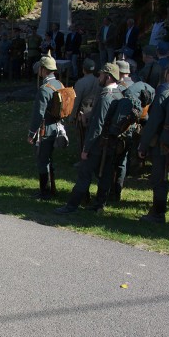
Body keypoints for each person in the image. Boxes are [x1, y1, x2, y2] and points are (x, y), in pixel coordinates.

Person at [55, 63, 123, 214]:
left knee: (84, 174)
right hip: (111, 142)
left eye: (101, 75)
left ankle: (71, 206)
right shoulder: (118, 94)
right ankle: (99, 204)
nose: (98, 77)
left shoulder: (106, 97)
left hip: (98, 144)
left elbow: (97, 125)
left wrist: (86, 148)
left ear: (108, 77)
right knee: (105, 175)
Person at [137, 55, 169, 223]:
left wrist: (143, 145)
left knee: (159, 178)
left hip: (163, 142)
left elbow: (153, 123)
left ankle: (158, 213)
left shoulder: (164, 92)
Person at [26, 50, 64, 200]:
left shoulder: (44, 89)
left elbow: (38, 114)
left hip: (45, 129)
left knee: (42, 160)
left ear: (43, 69)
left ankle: (45, 191)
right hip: (57, 126)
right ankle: (51, 188)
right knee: (49, 158)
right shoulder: (59, 84)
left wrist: (31, 133)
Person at [70, 58, 100, 155]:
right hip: (95, 112)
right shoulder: (99, 81)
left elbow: (76, 101)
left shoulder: (80, 83)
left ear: (83, 69)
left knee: (82, 137)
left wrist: (72, 116)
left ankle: (83, 157)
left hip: (82, 114)